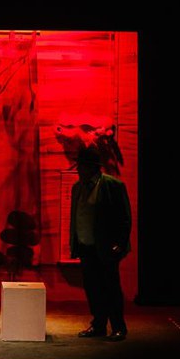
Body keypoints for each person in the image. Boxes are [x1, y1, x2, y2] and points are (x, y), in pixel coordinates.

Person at [70, 146, 132, 341]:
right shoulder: (77, 187)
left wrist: (119, 243)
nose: (78, 170)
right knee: (93, 288)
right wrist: (75, 243)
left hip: (106, 247)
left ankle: (118, 326)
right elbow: (76, 216)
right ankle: (98, 324)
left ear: (92, 167)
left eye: (82, 166)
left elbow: (124, 218)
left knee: (111, 287)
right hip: (86, 246)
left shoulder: (113, 185)